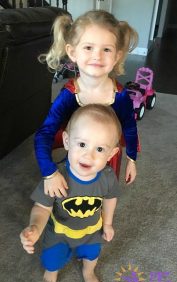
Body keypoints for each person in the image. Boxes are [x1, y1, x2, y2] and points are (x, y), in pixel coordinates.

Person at [35, 9, 138, 198]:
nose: (97, 56)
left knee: (103, 190)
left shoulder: (121, 96)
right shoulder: (69, 95)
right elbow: (45, 133)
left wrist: (132, 158)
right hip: (78, 150)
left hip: (107, 154)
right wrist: (49, 173)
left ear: (116, 56)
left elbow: (130, 127)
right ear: (72, 52)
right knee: (72, 189)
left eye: (106, 49)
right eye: (88, 47)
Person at [20, 104, 122, 282]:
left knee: (92, 256)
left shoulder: (107, 177)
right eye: (82, 144)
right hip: (60, 231)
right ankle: (53, 269)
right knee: (52, 260)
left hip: (92, 230)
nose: (88, 155)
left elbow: (110, 198)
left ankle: (88, 272)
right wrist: (35, 227)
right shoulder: (56, 179)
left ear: (111, 154)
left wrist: (107, 223)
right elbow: (42, 207)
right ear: (67, 141)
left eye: (100, 149)